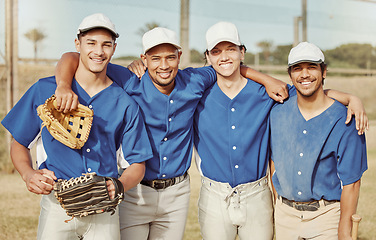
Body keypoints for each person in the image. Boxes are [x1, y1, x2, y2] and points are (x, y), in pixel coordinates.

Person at [53, 26, 289, 240]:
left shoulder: (195, 80)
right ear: (144, 59)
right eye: (155, 58)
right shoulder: (130, 80)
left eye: (170, 57)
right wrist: (63, 85)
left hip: (177, 193)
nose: (163, 65)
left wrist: (264, 78)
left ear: (179, 57)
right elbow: (74, 57)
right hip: (136, 190)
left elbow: (228, 65)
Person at [193, 22, 368, 240]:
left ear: (242, 52)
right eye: (216, 51)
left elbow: (310, 90)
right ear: (208, 57)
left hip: (256, 193)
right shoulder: (196, 93)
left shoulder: (268, 93)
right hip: (214, 194)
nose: (224, 56)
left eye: (231, 49)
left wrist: (352, 98)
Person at [1, 13, 153, 240]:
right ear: (77, 44)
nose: (98, 51)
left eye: (106, 45)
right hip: (56, 204)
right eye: (91, 43)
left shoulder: (125, 102)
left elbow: (137, 164)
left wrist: (119, 186)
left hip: (104, 208)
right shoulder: (46, 90)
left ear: (114, 48)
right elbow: (20, 142)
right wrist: (27, 173)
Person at [269, 42, 368, 240]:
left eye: (311, 67)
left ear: (324, 72)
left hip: (326, 216)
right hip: (284, 215)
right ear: (290, 75)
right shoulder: (277, 112)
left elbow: (352, 183)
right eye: (297, 68)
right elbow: (274, 162)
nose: (304, 74)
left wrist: (343, 231)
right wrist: (275, 207)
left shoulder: (345, 119)